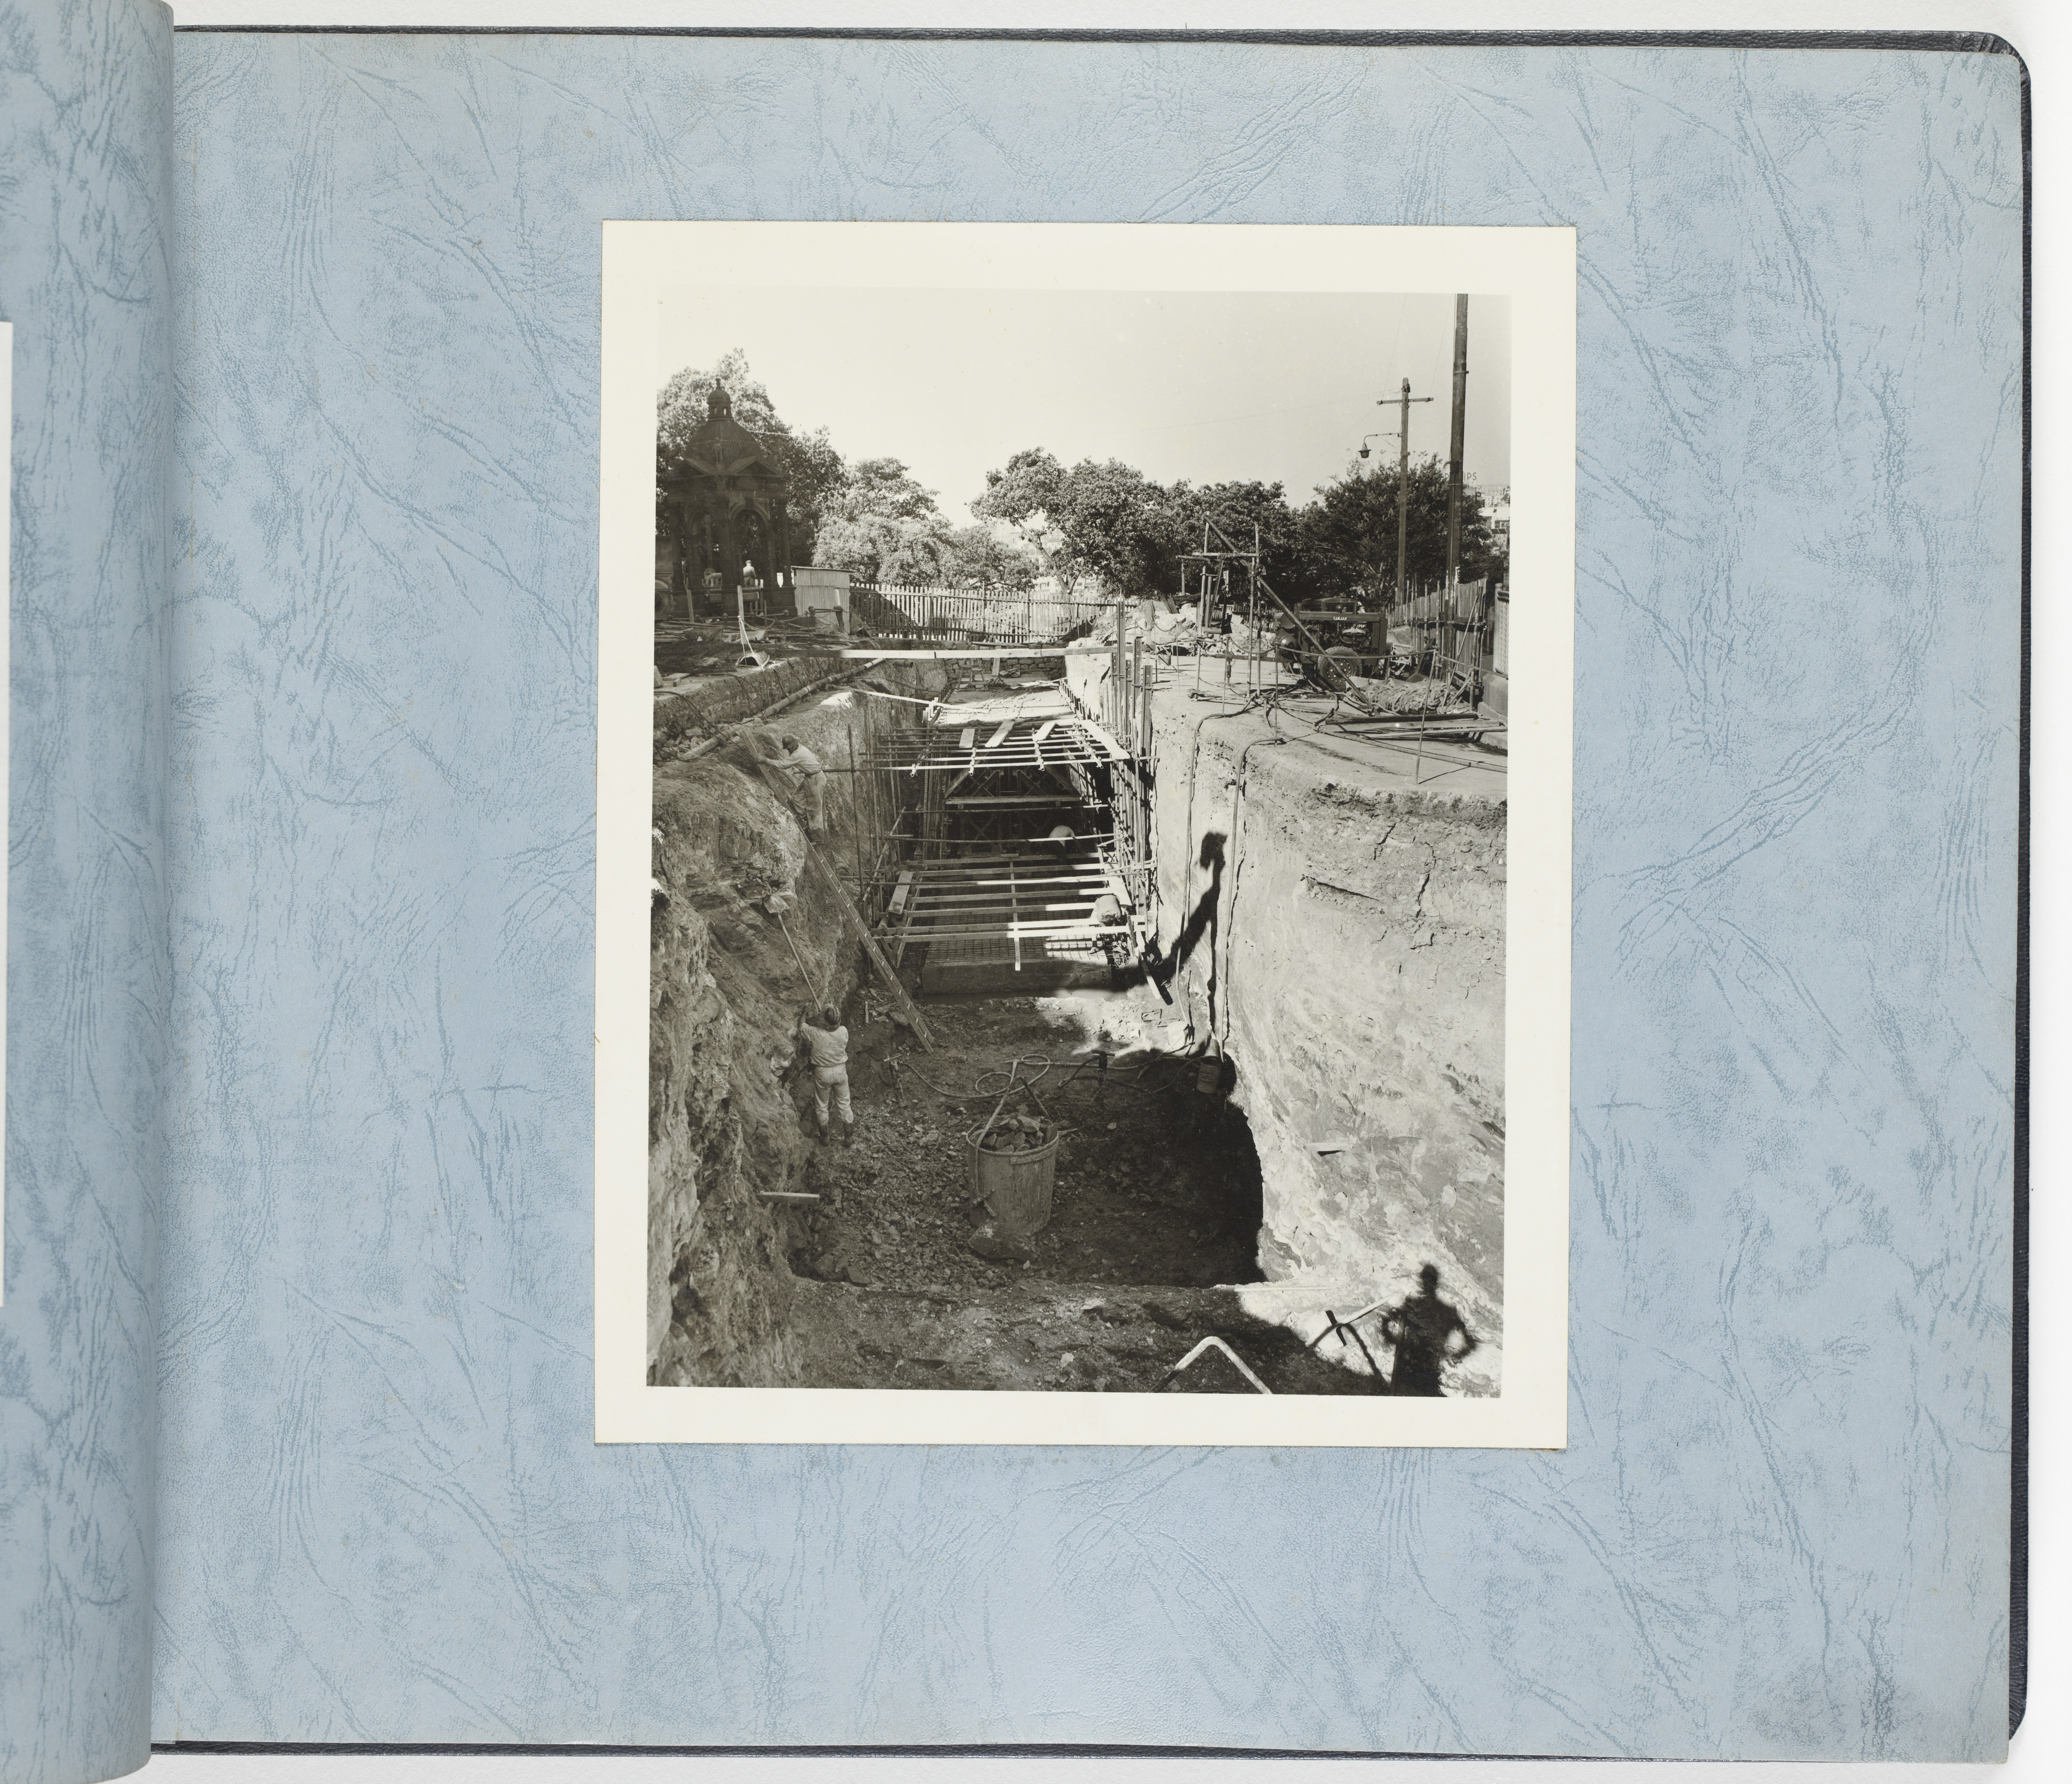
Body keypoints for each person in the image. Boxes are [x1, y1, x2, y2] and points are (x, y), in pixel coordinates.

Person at [1380, 1264, 1478, 1396]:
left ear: (1421, 1282)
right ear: (1437, 1283)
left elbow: (1386, 1321)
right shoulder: (1447, 1312)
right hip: (1428, 1374)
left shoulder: (1412, 1305)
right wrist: (1454, 1357)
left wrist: (1393, 1340)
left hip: (1410, 1370)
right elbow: (1471, 1343)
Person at [797, 1004, 853, 1145]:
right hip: (840, 1071)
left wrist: (804, 1013)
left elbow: (802, 1026)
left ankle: (825, 1138)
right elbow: (830, 1028)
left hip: (823, 1073)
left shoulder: (816, 1033)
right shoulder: (844, 1031)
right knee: (845, 1104)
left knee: (822, 1106)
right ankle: (849, 1138)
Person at [779, 734, 826, 834]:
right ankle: (808, 821)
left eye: (789, 748)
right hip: (810, 777)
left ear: (793, 746)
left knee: (815, 809)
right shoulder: (799, 748)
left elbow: (783, 765)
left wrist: (766, 761)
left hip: (816, 779)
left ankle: (817, 838)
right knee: (796, 799)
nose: (788, 751)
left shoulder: (798, 754)